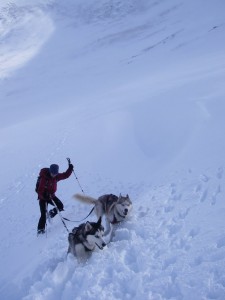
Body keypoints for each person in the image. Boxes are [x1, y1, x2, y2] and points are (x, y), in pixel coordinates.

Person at [36, 162, 74, 235]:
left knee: (60, 206)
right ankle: (40, 230)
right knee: (43, 214)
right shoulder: (44, 178)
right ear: (50, 171)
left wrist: (70, 169)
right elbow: (39, 191)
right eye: (52, 173)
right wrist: (44, 196)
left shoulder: (56, 177)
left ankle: (50, 214)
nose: (54, 175)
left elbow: (65, 175)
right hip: (43, 198)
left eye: (55, 173)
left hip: (51, 196)